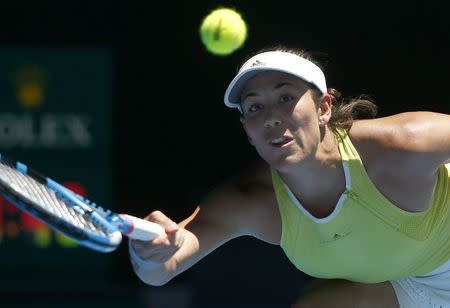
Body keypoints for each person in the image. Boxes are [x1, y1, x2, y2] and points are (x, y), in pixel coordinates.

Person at [128, 45, 450, 308]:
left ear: (324, 107)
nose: (271, 118)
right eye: (254, 107)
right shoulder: (254, 200)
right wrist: (147, 250)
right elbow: (159, 271)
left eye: (285, 98)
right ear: (247, 131)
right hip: (409, 287)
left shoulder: (403, 145)